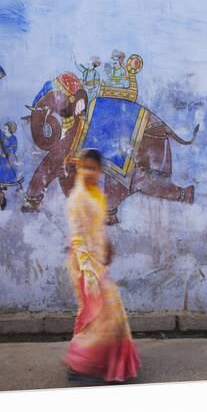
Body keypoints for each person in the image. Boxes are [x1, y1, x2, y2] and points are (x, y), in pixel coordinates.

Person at [63, 148, 141, 383]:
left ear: (99, 171)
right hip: (84, 263)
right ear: (79, 168)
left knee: (104, 313)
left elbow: (97, 228)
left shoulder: (97, 193)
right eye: (84, 167)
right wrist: (87, 272)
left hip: (96, 261)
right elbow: (77, 237)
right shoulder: (78, 198)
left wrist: (107, 245)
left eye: (93, 168)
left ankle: (91, 361)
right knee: (99, 312)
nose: (88, 172)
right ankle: (80, 362)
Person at [0, 109, 23, 190]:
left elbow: (14, 148)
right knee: (1, 170)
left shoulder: (14, 138)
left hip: (10, 158)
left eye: (5, 128)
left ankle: (16, 185)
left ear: (10, 130)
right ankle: (3, 185)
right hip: (3, 157)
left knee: (11, 171)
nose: (4, 129)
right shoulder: (2, 135)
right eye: (4, 128)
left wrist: (9, 152)